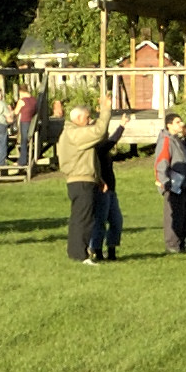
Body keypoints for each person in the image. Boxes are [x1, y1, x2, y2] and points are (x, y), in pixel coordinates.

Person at [56, 96, 115, 263]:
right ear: (78, 118)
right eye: (88, 117)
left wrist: (98, 179)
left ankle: (76, 253)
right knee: (84, 219)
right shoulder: (74, 133)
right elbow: (99, 132)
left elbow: (89, 158)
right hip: (81, 182)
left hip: (81, 181)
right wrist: (105, 111)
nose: (90, 121)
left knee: (79, 218)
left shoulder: (72, 133)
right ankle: (81, 255)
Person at [158, 112, 186, 254]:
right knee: (173, 215)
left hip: (182, 184)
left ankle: (180, 243)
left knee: (182, 215)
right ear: (169, 125)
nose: (181, 124)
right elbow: (161, 162)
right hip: (173, 185)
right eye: (178, 122)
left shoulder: (177, 139)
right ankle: (172, 244)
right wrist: (165, 183)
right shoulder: (166, 140)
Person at [90, 108, 124, 260]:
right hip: (101, 189)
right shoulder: (96, 147)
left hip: (111, 189)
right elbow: (110, 142)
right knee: (100, 221)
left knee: (116, 220)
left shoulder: (103, 146)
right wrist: (121, 126)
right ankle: (96, 250)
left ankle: (111, 249)